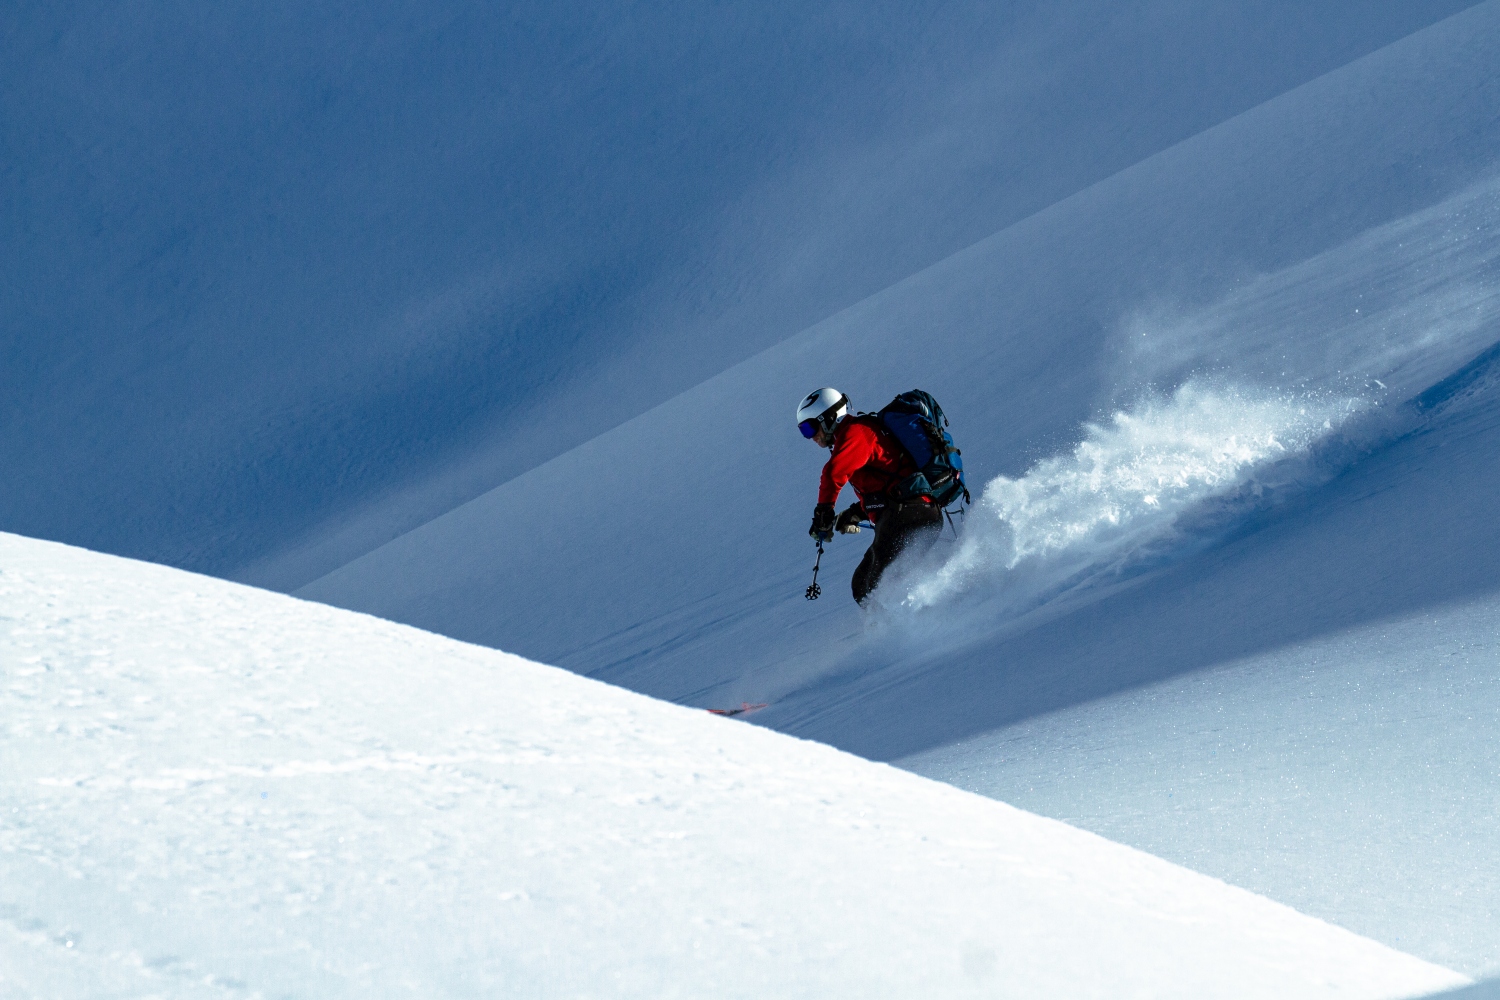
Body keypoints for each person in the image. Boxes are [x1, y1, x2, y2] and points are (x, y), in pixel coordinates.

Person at [797, 387, 944, 605]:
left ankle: (908, 629)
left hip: (908, 514)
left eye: (810, 428)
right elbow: (887, 483)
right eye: (804, 431)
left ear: (828, 418)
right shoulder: (859, 434)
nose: (811, 437)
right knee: (864, 585)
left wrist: (823, 514)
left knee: (874, 588)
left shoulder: (855, 431)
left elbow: (833, 473)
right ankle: (924, 616)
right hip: (913, 513)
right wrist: (856, 513)